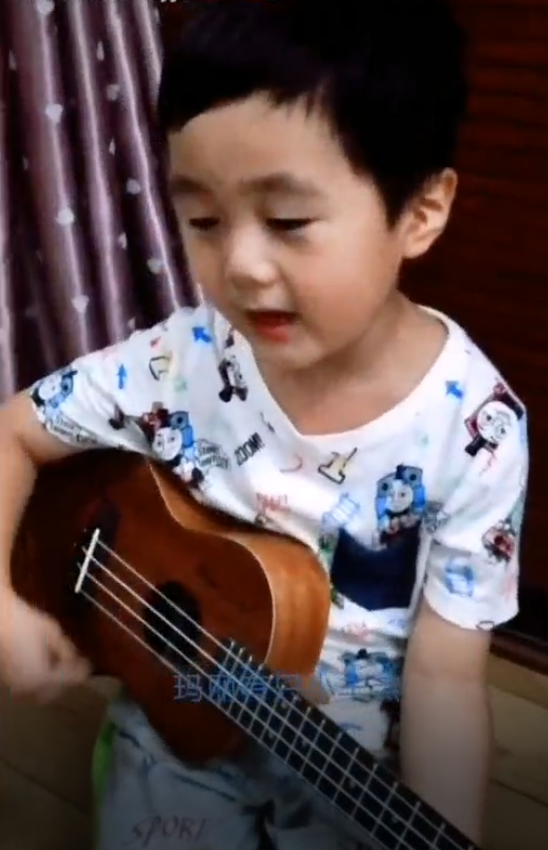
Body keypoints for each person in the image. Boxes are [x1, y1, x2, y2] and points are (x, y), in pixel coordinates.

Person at [0, 1, 529, 848]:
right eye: (203, 221)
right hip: (178, 712)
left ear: (421, 213)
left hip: (345, 755)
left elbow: (444, 678)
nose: (240, 266)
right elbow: (14, 433)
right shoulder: (184, 358)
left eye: (288, 222)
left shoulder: (477, 428)